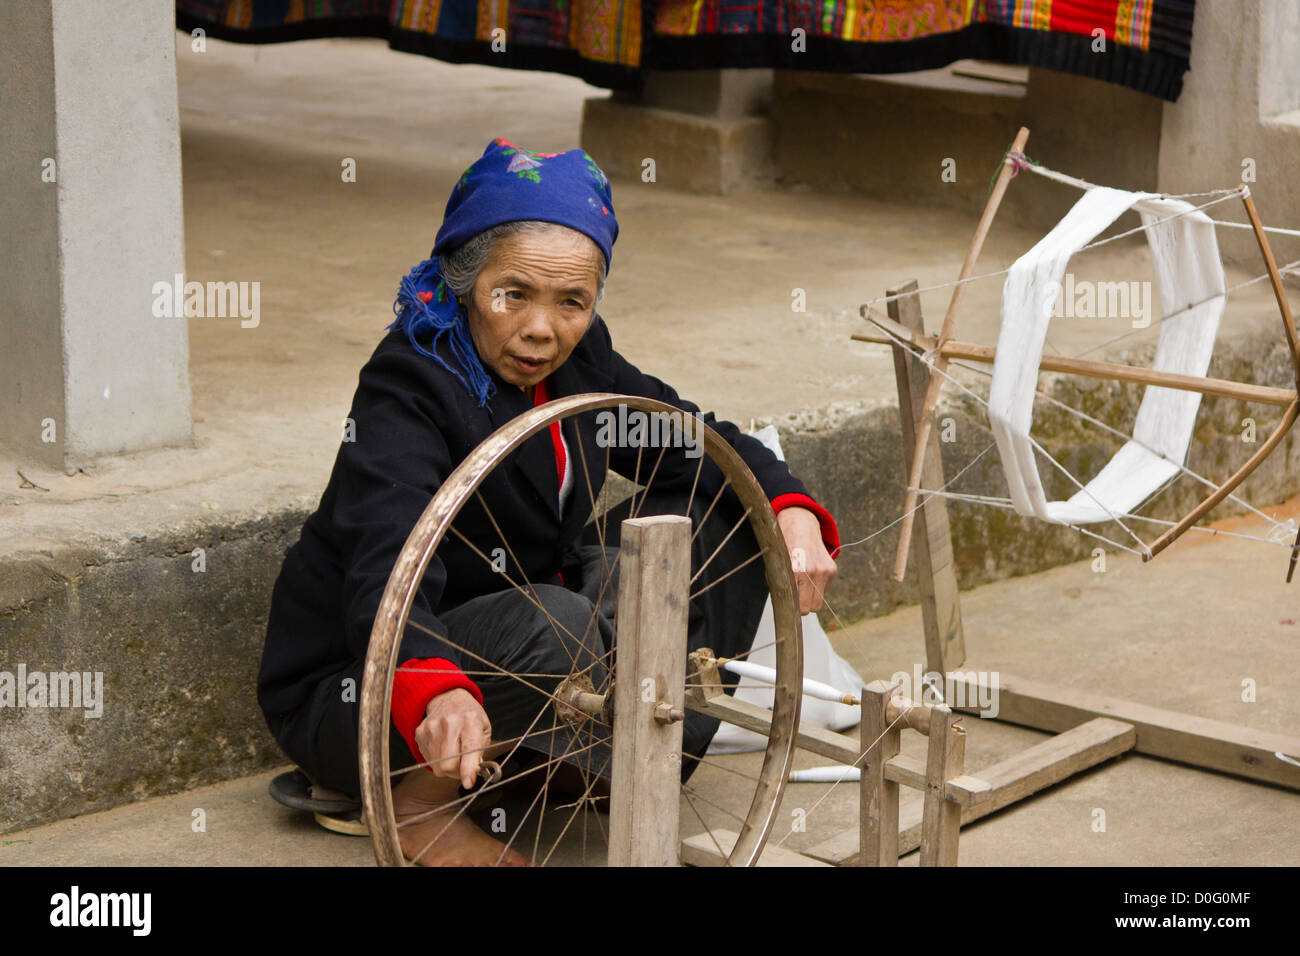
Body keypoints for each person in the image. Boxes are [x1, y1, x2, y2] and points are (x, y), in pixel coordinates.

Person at [257, 137, 840, 865]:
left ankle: (594, 758)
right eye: (514, 295)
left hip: (520, 642)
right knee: (557, 622)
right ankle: (418, 805)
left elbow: (694, 441)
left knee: (713, 518)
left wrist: (787, 507)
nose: (542, 328)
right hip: (366, 687)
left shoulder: (579, 354)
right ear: (467, 280)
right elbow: (384, 566)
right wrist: (435, 691)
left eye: (572, 301)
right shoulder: (408, 386)